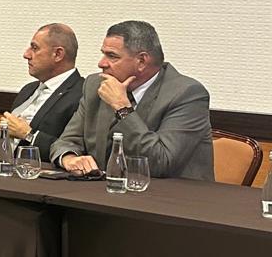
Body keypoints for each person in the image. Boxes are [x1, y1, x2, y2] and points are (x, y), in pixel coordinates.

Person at [50, 20, 213, 180]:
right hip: (103, 190)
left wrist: (122, 107)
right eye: (103, 54)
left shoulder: (187, 94)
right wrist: (69, 158)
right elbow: (66, 141)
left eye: (112, 56)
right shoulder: (96, 85)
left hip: (170, 194)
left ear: (141, 61)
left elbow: (161, 162)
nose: (101, 63)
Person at [0, 23, 81, 159]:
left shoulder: (81, 94)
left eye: (34, 48)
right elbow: (12, 148)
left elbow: (74, 151)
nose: (26, 55)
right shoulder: (28, 89)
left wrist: (28, 134)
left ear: (58, 54)